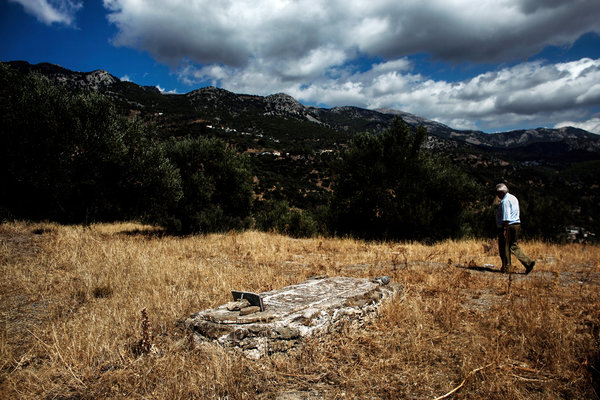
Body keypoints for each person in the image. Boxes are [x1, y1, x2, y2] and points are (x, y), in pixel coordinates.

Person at [495, 183, 535, 274]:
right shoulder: (513, 198)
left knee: (504, 247)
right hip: (516, 224)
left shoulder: (505, 201)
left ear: (501, 192)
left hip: (508, 225)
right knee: (513, 245)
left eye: (497, 193)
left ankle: (506, 267)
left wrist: (505, 229)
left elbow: (506, 216)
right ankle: (528, 263)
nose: (497, 195)